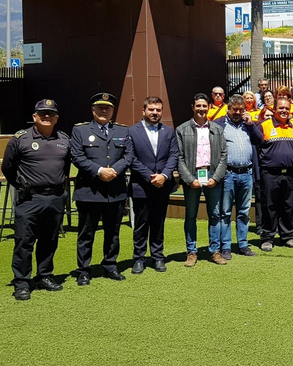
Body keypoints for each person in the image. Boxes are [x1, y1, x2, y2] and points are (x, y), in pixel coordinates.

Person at [4, 99, 74, 300]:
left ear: (56, 118)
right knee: (24, 242)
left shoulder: (63, 139)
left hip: (56, 198)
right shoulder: (21, 138)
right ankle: (22, 282)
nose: (46, 116)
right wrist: (21, 186)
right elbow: (8, 168)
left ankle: (44, 276)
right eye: (42, 113)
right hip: (30, 199)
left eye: (50, 114)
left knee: (49, 240)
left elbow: (66, 166)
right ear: (34, 116)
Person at [68, 93, 132, 285]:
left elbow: (129, 156)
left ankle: (110, 266)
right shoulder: (80, 130)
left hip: (115, 190)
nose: (104, 111)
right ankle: (84, 270)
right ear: (93, 110)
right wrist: (99, 171)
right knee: (86, 233)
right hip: (89, 190)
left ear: (113, 110)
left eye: (108, 108)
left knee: (113, 232)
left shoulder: (123, 130)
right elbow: (77, 157)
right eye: (100, 107)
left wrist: (114, 171)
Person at [175, 94, 228, 265]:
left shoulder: (217, 130)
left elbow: (223, 155)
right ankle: (191, 251)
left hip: (212, 177)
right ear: (193, 107)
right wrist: (190, 179)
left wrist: (216, 177)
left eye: (204, 106)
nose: (201, 109)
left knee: (215, 215)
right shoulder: (182, 130)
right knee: (191, 215)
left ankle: (215, 251)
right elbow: (179, 157)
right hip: (192, 178)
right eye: (198, 106)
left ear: (209, 107)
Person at [128, 96, 179, 273]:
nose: (155, 113)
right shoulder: (132, 131)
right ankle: (139, 258)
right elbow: (131, 158)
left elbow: (174, 155)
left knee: (158, 222)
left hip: (163, 185)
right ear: (143, 111)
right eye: (151, 109)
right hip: (142, 185)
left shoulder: (169, 131)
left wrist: (164, 175)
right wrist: (150, 176)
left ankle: (157, 257)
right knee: (141, 224)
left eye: (158, 110)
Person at [218, 95, 261, 258]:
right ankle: (226, 246)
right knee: (226, 212)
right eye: (234, 109)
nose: (237, 112)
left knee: (243, 211)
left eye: (240, 109)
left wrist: (251, 125)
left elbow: (260, 140)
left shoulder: (248, 124)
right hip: (228, 174)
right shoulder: (219, 125)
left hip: (247, 173)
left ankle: (243, 244)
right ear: (228, 108)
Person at [257, 97, 293, 251]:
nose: (284, 111)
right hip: (270, 173)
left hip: (289, 173)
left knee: (288, 205)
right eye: (281, 108)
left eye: (287, 109)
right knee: (269, 205)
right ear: (274, 109)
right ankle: (268, 237)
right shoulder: (264, 126)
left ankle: (287, 236)